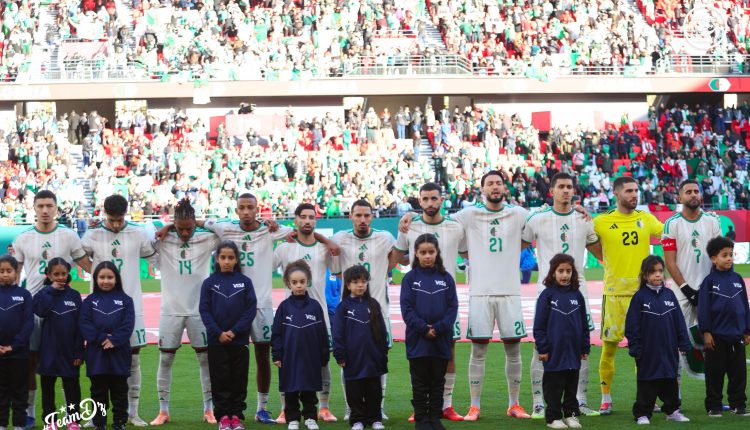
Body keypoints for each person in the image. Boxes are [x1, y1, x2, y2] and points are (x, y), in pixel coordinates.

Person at [163, 192, 334, 424]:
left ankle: (264, 408)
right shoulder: (225, 228)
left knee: (265, 355)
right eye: (242, 207)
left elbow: (303, 231)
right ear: (236, 210)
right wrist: (169, 226)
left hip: (261, 304)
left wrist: (327, 241)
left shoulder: (269, 229)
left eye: (250, 207)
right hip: (235, 307)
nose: (246, 211)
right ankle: (227, 410)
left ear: (257, 209)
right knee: (230, 360)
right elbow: (196, 223)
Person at [522, 173, 602, 418]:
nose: (566, 190)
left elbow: (599, 252)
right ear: (552, 191)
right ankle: (538, 402)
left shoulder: (584, 219)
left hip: (579, 292)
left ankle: (580, 401)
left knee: (581, 346)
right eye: (561, 187)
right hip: (546, 292)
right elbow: (519, 243)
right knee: (541, 346)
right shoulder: (538, 218)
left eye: (569, 187)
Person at [13, 190, 91, 429]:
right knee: (31, 363)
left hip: (63, 311)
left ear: (56, 208)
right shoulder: (23, 238)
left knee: (67, 362)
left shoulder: (69, 236)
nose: (45, 210)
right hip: (33, 310)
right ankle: (30, 414)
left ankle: (71, 418)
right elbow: (14, 275)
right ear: (34, 208)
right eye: (41, 206)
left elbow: (88, 265)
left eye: (49, 206)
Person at [392, 182, 467, 422]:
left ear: (442, 199)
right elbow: (399, 257)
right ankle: (421, 407)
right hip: (419, 303)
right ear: (419, 201)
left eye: (434, 198)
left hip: (445, 302)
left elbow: (467, 252)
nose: (430, 203)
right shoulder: (409, 225)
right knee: (420, 359)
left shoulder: (456, 226)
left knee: (449, 353)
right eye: (425, 199)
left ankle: (446, 405)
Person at [81, 194, 156, 427]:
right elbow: (78, 256)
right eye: (111, 219)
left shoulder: (138, 233)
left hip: (130, 305)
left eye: (119, 219)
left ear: (126, 214)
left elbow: (153, 255)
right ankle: (97, 416)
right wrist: (96, 272)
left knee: (133, 357)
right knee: (98, 363)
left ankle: (132, 413)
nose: (115, 225)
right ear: (105, 214)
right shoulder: (93, 234)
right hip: (99, 306)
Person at [592, 176, 663, 415]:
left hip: (642, 296)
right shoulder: (601, 222)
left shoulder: (646, 218)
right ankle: (605, 398)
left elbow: (668, 233)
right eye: (629, 191)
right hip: (614, 295)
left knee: (644, 351)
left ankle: (647, 397)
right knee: (609, 348)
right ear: (616, 193)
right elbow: (586, 238)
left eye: (636, 190)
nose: (634, 195)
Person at [150, 197, 220, 425]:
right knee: (165, 359)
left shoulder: (205, 238)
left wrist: (199, 223)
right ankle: (163, 411)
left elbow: (226, 231)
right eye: (180, 228)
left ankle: (209, 410)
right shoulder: (164, 239)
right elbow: (144, 235)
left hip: (200, 311)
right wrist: (168, 227)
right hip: (170, 310)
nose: (185, 233)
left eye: (189, 228)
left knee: (205, 360)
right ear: (174, 224)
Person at [274, 204, 340, 423]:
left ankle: (324, 407)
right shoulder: (285, 248)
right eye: (303, 217)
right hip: (291, 316)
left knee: (323, 362)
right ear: (295, 220)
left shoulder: (324, 249)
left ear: (316, 221)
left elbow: (338, 269)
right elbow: (267, 265)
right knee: (287, 362)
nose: (307, 221)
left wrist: (327, 241)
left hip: (319, 315)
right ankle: (285, 408)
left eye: (311, 217)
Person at [332, 200, 395, 421]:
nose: (362, 219)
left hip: (379, 312)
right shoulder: (340, 238)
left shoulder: (385, 238)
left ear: (372, 216)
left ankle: (378, 409)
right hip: (350, 312)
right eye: (358, 215)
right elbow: (337, 271)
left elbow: (398, 258)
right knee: (348, 361)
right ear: (350, 216)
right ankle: (351, 408)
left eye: (367, 215)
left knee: (379, 360)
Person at [662, 179, 721, 380]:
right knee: (675, 342)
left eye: (696, 191)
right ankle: (675, 394)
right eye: (688, 192)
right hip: (681, 292)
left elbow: (718, 257)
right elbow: (670, 262)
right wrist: (688, 289)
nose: (693, 194)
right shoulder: (672, 224)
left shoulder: (712, 221)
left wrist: (706, 289)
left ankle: (713, 393)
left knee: (712, 342)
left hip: (709, 292)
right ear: (679, 197)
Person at [400, 234, 458, 430]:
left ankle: (434, 418)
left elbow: (452, 308)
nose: (427, 256)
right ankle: (421, 420)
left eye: (431, 252)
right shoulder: (410, 279)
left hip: (440, 340)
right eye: (423, 252)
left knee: (437, 382)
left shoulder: (446, 278)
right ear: (416, 254)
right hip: (418, 340)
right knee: (419, 383)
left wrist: (439, 328)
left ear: (437, 252)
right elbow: (407, 309)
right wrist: (424, 329)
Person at [625, 255, 692, 425]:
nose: (657, 275)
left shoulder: (669, 295)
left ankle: (672, 411)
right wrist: (635, 347)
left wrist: (684, 342)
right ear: (645, 275)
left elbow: (679, 321)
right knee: (647, 382)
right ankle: (642, 414)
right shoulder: (639, 297)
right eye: (653, 271)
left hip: (669, 349)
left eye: (660, 271)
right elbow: (632, 325)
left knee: (670, 380)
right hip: (647, 351)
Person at [199, 241, 258, 430]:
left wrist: (234, 331)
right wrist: (218, 333)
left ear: (236, 259)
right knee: (220, 379)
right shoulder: (209, 283)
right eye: (223, 257)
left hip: (239, 340)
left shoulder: (245, 282)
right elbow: (204, 310)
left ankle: (236, 417)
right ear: (217, 259)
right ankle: (224, 416)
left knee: (239, 379)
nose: (226, 261)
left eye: (230, 257)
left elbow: (250, 310)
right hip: (217, 341)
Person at [533, 254, 590, 429]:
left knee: (571, 386)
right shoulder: (547, 295)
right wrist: (543, 348)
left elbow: (584, 324)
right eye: (561, 271)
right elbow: (539, 326)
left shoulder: (577, 295)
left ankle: (570, 415)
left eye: (568, 271)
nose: (565, 275)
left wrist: (584, 347)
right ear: (553, 273)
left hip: (573, 352)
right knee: (554, 387)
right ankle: (553, 417)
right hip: (554, 352)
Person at [272, 260, 330, 430]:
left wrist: (324, 354)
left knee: (309, 389)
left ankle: (310, 417)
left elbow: (322, 332)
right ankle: (293, 419)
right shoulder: (284, 307)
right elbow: (276, 334)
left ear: (308, 282)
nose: (298, 285)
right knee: (290, 389)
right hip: (289, 357)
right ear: (288, 283)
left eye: (302, 282)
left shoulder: (315, 306)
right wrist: (277, 354)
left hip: (311, 357)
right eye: (295, 282)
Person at [79, 262, 135, 430]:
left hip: (119, 353)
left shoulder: (126, 300)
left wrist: (115, 340)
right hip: (96, 353)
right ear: (95, 279)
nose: (105, 281)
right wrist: (102, 338)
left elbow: (128, 324)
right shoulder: (89, 301)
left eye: (110, 277)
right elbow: (84, 323)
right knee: (98, 391)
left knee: (119, 391)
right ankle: (99, 423)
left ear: (116, 279)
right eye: (101, 277)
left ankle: (119, 422)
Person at [698, 236, 750, 417]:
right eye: (724, 255)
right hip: (716, 337)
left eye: (731, 255)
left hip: (737, 336)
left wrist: (747, 330)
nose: (729, 258)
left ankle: (738, 404)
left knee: (738, 374)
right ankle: (714, 406)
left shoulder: (738, 279)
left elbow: (745, 306)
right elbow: (703, 309)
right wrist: (706, 332)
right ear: (714, 259)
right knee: (715, 374)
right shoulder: (709, 281)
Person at [332, 265, 389, 430]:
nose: (360, 285)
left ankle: (375, 418)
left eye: (363, 281)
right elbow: (337, 333)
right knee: (354, 390)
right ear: (348, 285)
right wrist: (340, 355)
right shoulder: (343, 307)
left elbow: (382, 331)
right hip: (352, 358)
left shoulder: (374, 304)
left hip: (373, 357)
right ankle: (357, 420)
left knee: (374, 390)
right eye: (356, 282)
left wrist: (383, 352)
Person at [32, 258, 83, 430]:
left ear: (68, 274)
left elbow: (80, 326)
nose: (60, 277)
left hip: (70, 352)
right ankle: (50, 421)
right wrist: (51, 290)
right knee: (47, 388)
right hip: (48, 350)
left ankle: (73, 420)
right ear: (48, 275)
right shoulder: (43, 294)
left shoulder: (74, 295)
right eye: (56, 274)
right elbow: (40, 311)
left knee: (72, 388)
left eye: (63, 274)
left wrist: (79, 351)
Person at [0, 255, 33, 430]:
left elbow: (28, 324)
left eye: (8, 271)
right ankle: (2, 423)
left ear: (16, 272)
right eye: (1, 271)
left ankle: (19, 424)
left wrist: (14, 346)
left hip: (19, 353)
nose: (5, 274)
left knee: (19, 390)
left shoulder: (24, 295)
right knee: (1, 390)